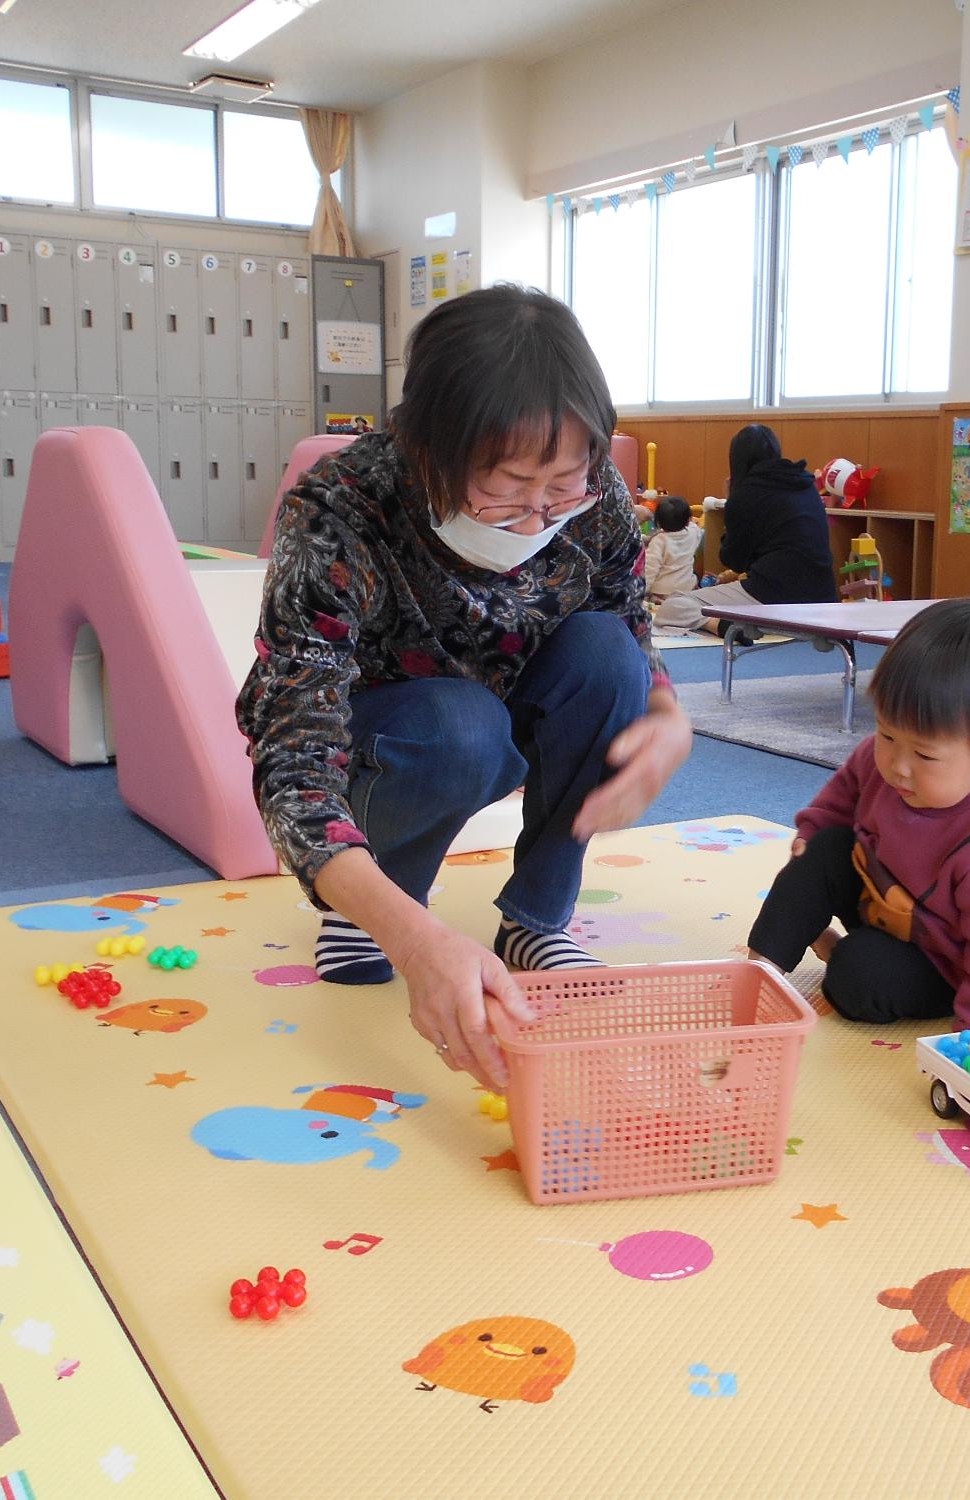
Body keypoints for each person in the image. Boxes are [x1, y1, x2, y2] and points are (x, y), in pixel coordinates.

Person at [236, 285, 694, 1089]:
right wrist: (416, 940)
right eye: (509, 485)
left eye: (563, 483)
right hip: (405, 737)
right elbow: (293, 760)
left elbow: (622, 611)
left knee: (607, 656)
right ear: (427, 451)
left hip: (517, 707)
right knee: (459, 723)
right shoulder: (342, 512)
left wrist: (664, 711)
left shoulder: (594, 500)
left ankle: (535, 918)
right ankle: (372, 910)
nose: (540, 511)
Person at [745, 599, 970, 1026]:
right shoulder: (879, 760)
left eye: (925, 755)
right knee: (823, 848)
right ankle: (759, 971)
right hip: (876, 898)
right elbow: (841, 798)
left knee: (860, 975)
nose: (897, 766)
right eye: (887, 734)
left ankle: (834, 948)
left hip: (939, 965)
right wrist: (812, 837)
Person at [654, 424, 836, 634]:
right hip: (823, 599)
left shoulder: (746, 493)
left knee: (673, 605)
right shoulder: (805, 484)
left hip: (773, 596)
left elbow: (733, 559)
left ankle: (717, 625)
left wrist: (731, 499)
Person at [642, 496, 700, 601]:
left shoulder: (659, 541)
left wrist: (643, 591)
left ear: (658, 522)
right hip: (687, 588)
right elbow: (694, 525)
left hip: (663, 592)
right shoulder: (693, 533)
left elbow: (650, 568)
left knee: (653, 602)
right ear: (688, 520)